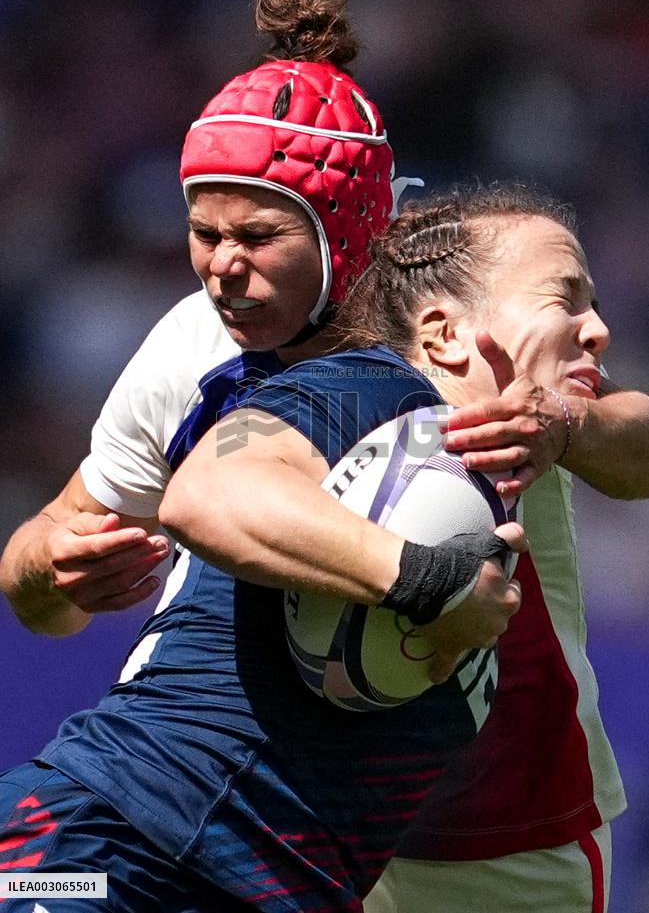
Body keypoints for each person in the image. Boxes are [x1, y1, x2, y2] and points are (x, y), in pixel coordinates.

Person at [0, 182, 610, 912]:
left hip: (260, 887)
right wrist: (432, 579)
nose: (598, 328)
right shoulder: (371, 391)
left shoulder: (488, 479)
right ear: (444, 334)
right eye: (564, 299)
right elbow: (208, 495)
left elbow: (645, 444)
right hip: (105, 855)